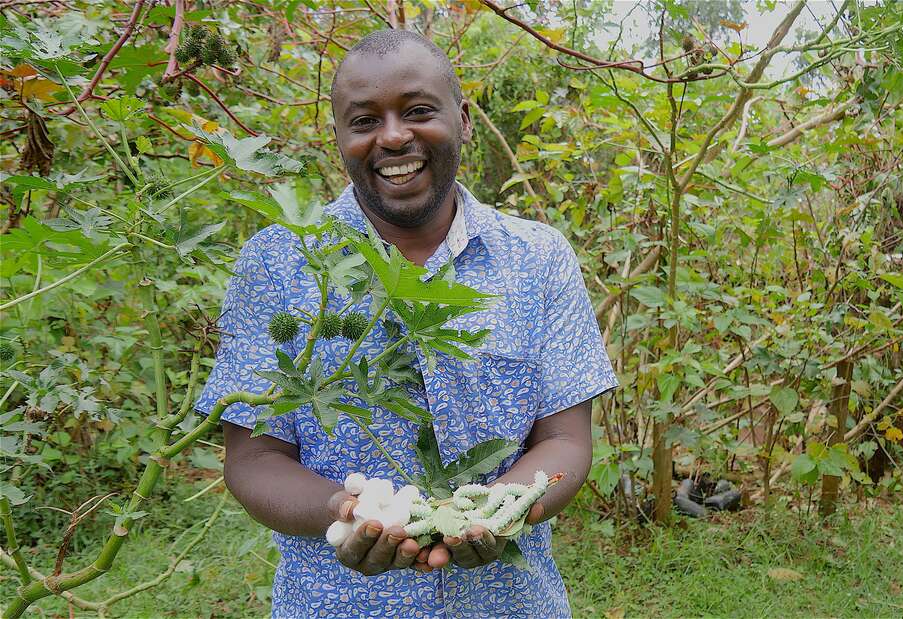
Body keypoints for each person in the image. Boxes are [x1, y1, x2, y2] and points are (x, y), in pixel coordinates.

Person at [194, 29, 617, 618]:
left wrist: (499, 510)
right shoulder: (277, 262)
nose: (393, 137)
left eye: (418, 111)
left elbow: (565, 439)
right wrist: (346, 513)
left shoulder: (537, 258)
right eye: (364, 120)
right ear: (339, 136)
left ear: (464, 119)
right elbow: (252, 460)